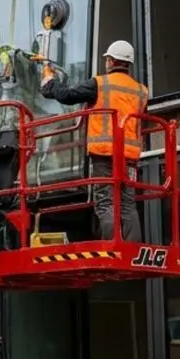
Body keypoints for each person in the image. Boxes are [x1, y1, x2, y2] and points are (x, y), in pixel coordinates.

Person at [39, 40, 150, 241]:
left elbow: (67, 95)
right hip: (129, 157)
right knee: (127, 203)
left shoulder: (99, 84)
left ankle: (111, 246)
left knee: (106, 202)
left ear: (111, 60)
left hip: (104, 154)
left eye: (107, 59)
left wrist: (50, 82)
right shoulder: (141, 91)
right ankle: (132, 248)